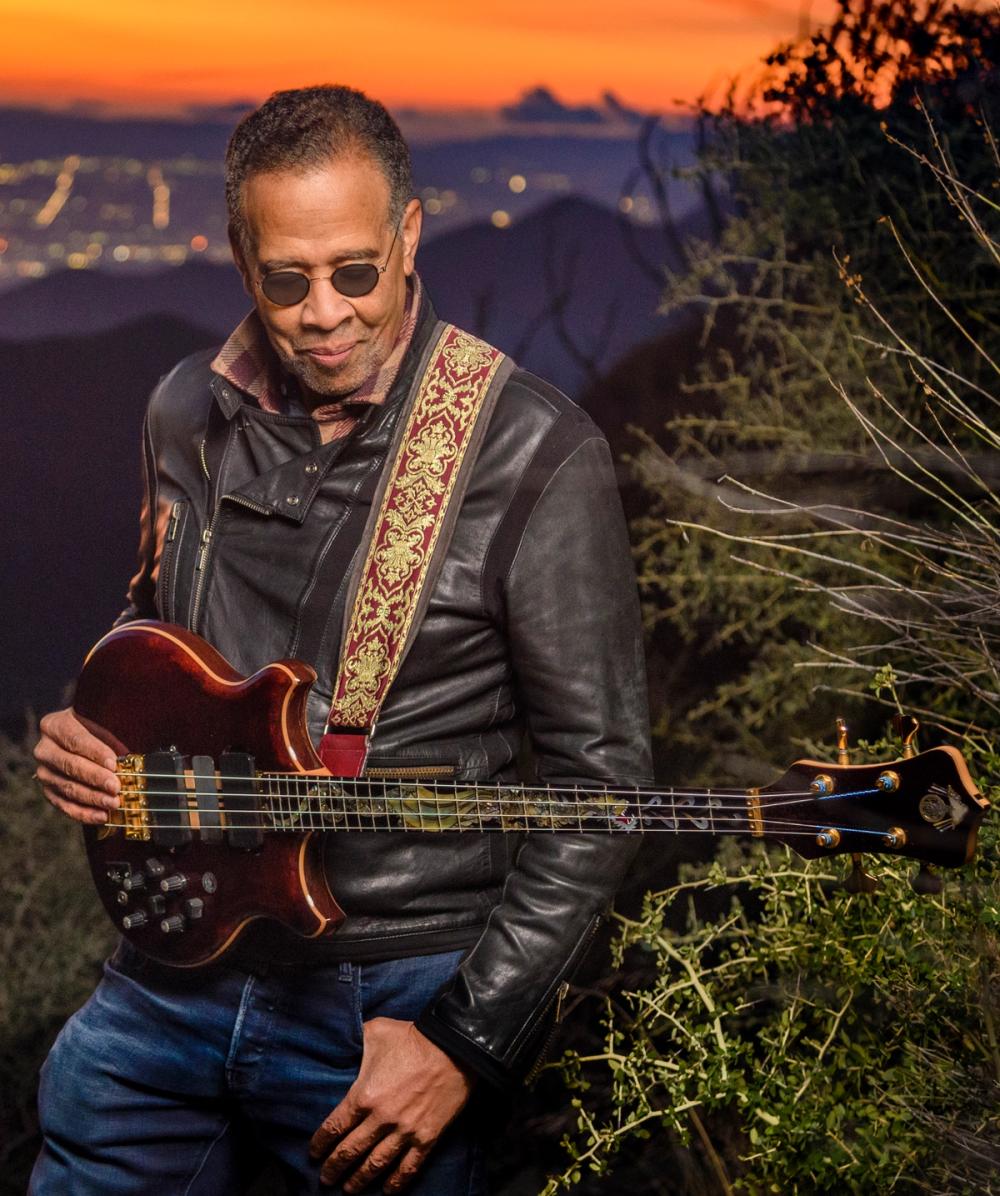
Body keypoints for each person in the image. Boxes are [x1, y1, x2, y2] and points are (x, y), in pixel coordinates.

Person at [31, 84, 652, 1195]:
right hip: (166, 980)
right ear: (238, 256)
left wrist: (468, 1039)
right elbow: (157, 613)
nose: (324, 312)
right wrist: (95, 725)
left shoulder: (532, 453)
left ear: (409, 237)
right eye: (287, 278)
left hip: (386, 1008)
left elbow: (603, 793)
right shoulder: (184, 409)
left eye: (356, 271)